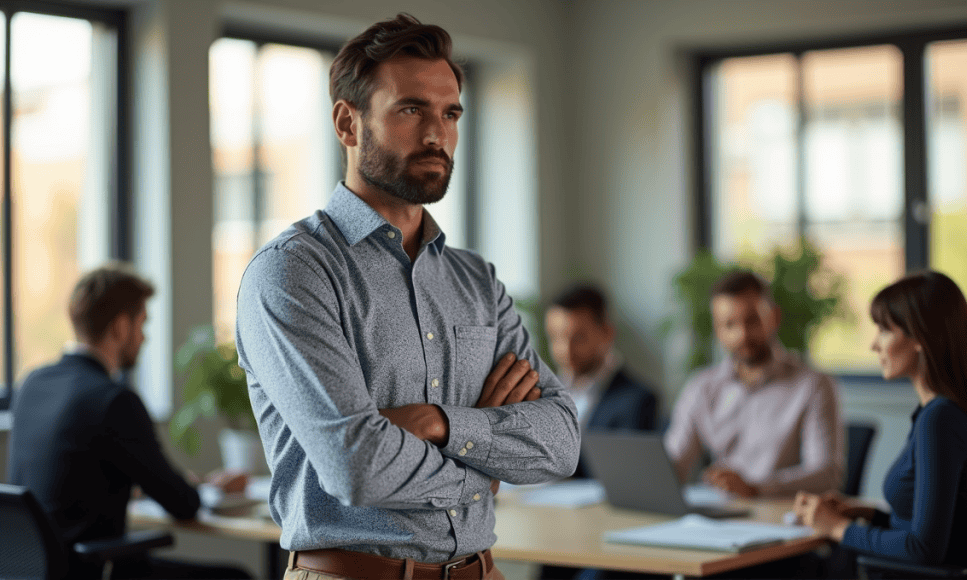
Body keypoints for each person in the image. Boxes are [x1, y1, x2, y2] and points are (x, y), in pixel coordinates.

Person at [234, 13, 580, 580]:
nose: (436, 135)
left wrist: (440, 424)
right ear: (348, 124)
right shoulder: (293, 274)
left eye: (450, 114)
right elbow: (357, 465)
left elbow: (562, 440)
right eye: (410, 109)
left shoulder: (477, 282)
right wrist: (486, 468)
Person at [6, 263, 251, 580]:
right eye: (142, 324)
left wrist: (193, 483)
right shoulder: (113, 400)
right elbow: (183, 504)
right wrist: (205, 488)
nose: (144, 337)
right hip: (96, 570)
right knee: (235, 578)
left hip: (32, 570)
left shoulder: (32, 385)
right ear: (120, 327)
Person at [793, 271, 967, 574]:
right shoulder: (950, 413)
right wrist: (865, 513)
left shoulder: (939, 420)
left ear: (920, 338)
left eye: (885, 330)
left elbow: (923, 548)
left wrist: (838, 528)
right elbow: (946, 531)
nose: (874, 345)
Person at [664, 270, 843, 498]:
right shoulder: (702, 387)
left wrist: (755, 488)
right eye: (729, 324)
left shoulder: (813, 385)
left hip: (780, 516)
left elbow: (827, 476)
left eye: (752, 320)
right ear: (717, 331)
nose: (742, 334)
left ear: (774, 317)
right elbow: (675, 459)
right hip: (721, 515)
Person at [545, 284, 659, 475]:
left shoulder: (638, 400)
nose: (565, 350)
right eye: (556, 338)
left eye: (578, 338)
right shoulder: (543, 394)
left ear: (607, 333)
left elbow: (626, 474)